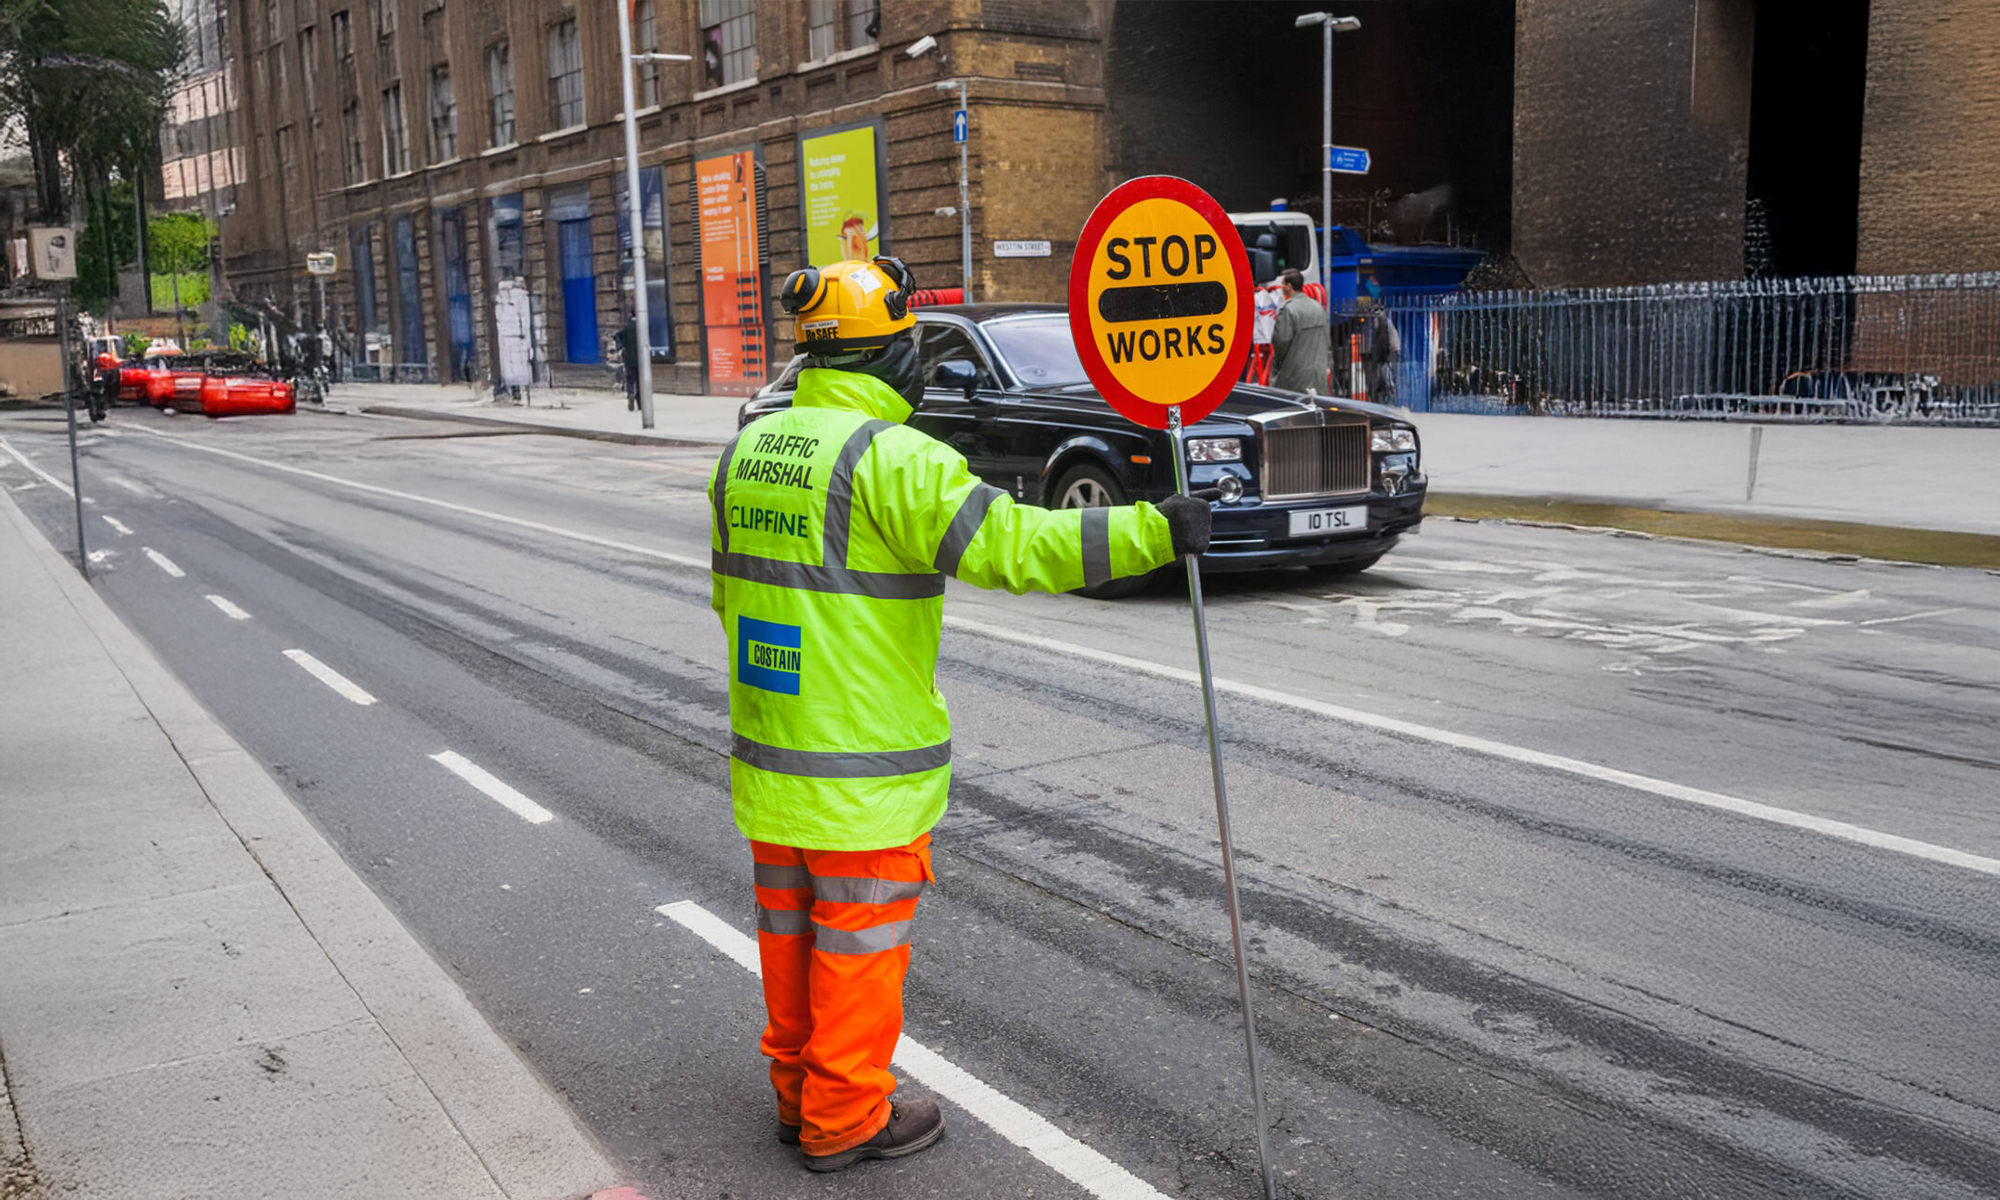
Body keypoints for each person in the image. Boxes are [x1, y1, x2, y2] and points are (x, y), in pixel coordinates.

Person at [707, 256, 1214, 1173]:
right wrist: (1154, 530)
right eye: (907, 344)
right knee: (858, 947)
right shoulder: (891, 459)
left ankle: (799, 1097)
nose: (916, 360)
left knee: (790, 935)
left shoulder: (747, 452)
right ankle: (846, 1118)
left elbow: (727, 597)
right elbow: (1016, 546)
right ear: (887, 356)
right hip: (861, 769)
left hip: (772, 758)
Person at [1269, 268, 1332, 395]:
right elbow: (1327, 340)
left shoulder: (1288, 310)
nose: (1281, 287)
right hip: (1318, 374)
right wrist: (1327, 364)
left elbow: (1281, 342)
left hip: (1295, 376)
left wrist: (1276, 370)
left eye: (1282, 284)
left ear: (1289, 286)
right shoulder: (1317, 307)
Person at [615, 316, 640, 411]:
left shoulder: (627, 327)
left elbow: (618, 337)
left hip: (629, 357)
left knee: (630, 378)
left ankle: (630, 393)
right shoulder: (644, 326)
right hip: (641, 358)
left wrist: (620, 348)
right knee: (640, 381)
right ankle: (640, 403)